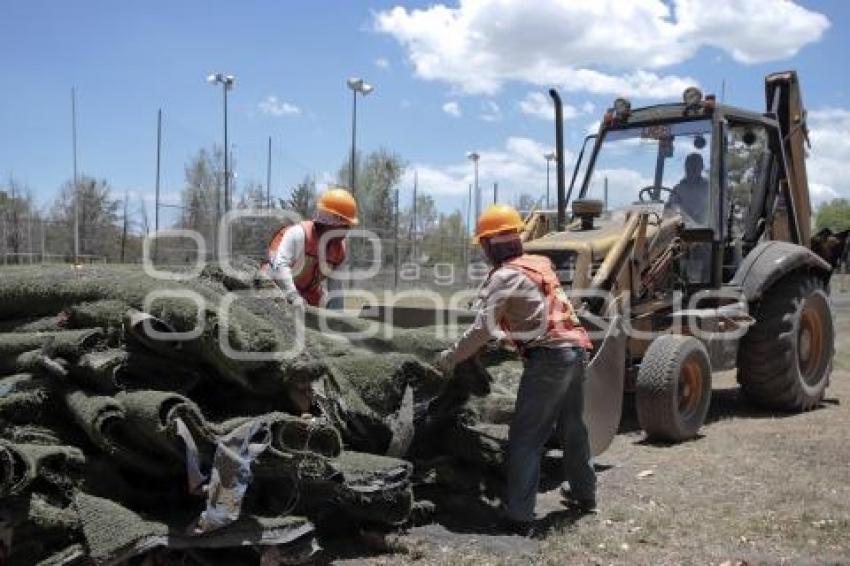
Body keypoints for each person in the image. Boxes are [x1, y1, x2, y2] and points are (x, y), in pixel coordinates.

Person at [435, 204, 596, 536]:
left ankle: (519, 516)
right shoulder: (539, 264)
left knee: (525, 437)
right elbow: (531, 312)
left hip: (549, 357)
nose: (481, 252)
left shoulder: (504, 275)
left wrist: (450, 358)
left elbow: (481, 329)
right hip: (576, 350)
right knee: (573, 428)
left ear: (490, 244)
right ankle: (585, 494)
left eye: (482, 244)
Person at [267, 187, 358, 308]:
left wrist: (338, 319)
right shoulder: (299, 234)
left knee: (325, 305)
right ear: (329, 222)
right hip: (275, 286)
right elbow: (280, 265)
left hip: (307, 293)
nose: (347, 231)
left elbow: (336, 287)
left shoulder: (339, 250)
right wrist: (293, 296)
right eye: (345, 226)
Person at [667, 152, 709, 224]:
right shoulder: (678, 188)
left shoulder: (709, 187)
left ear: (701, 167)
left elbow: (713, 208)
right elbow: (673, 206)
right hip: (683, 227)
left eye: (695, 166)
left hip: (704, 228)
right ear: (685, 167)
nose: (691, 168)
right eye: (689, 165)